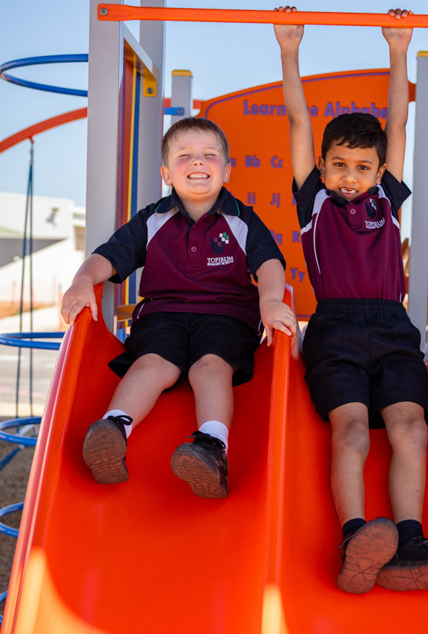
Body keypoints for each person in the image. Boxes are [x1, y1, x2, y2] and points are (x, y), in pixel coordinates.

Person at [274, 6, 428, 594]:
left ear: (379, 170)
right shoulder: (312, 201)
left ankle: (411, 540)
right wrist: (290, 51)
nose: (349, 176)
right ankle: (356, 537)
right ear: (321, 165)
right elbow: (296, 120)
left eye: (361, 167)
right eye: (338, 164)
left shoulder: (388, 198)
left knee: (410, 425)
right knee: (352, 431)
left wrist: (399, 49)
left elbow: (398, 123)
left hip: (393, 327)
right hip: (336, 327)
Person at [61, 117, 298, 498]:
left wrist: (270, 301)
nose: (199, 162)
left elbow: (270, 264)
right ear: (167, 173)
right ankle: (113, 429)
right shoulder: (152, 220)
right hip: (163, 315)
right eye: (185, 156)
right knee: (152, 364)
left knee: (211, 366)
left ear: (227, 169)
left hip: (227, 316)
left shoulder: (241, 219)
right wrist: (82, 280)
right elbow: (108, 256)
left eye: (210, 155)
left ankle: (211, 446)